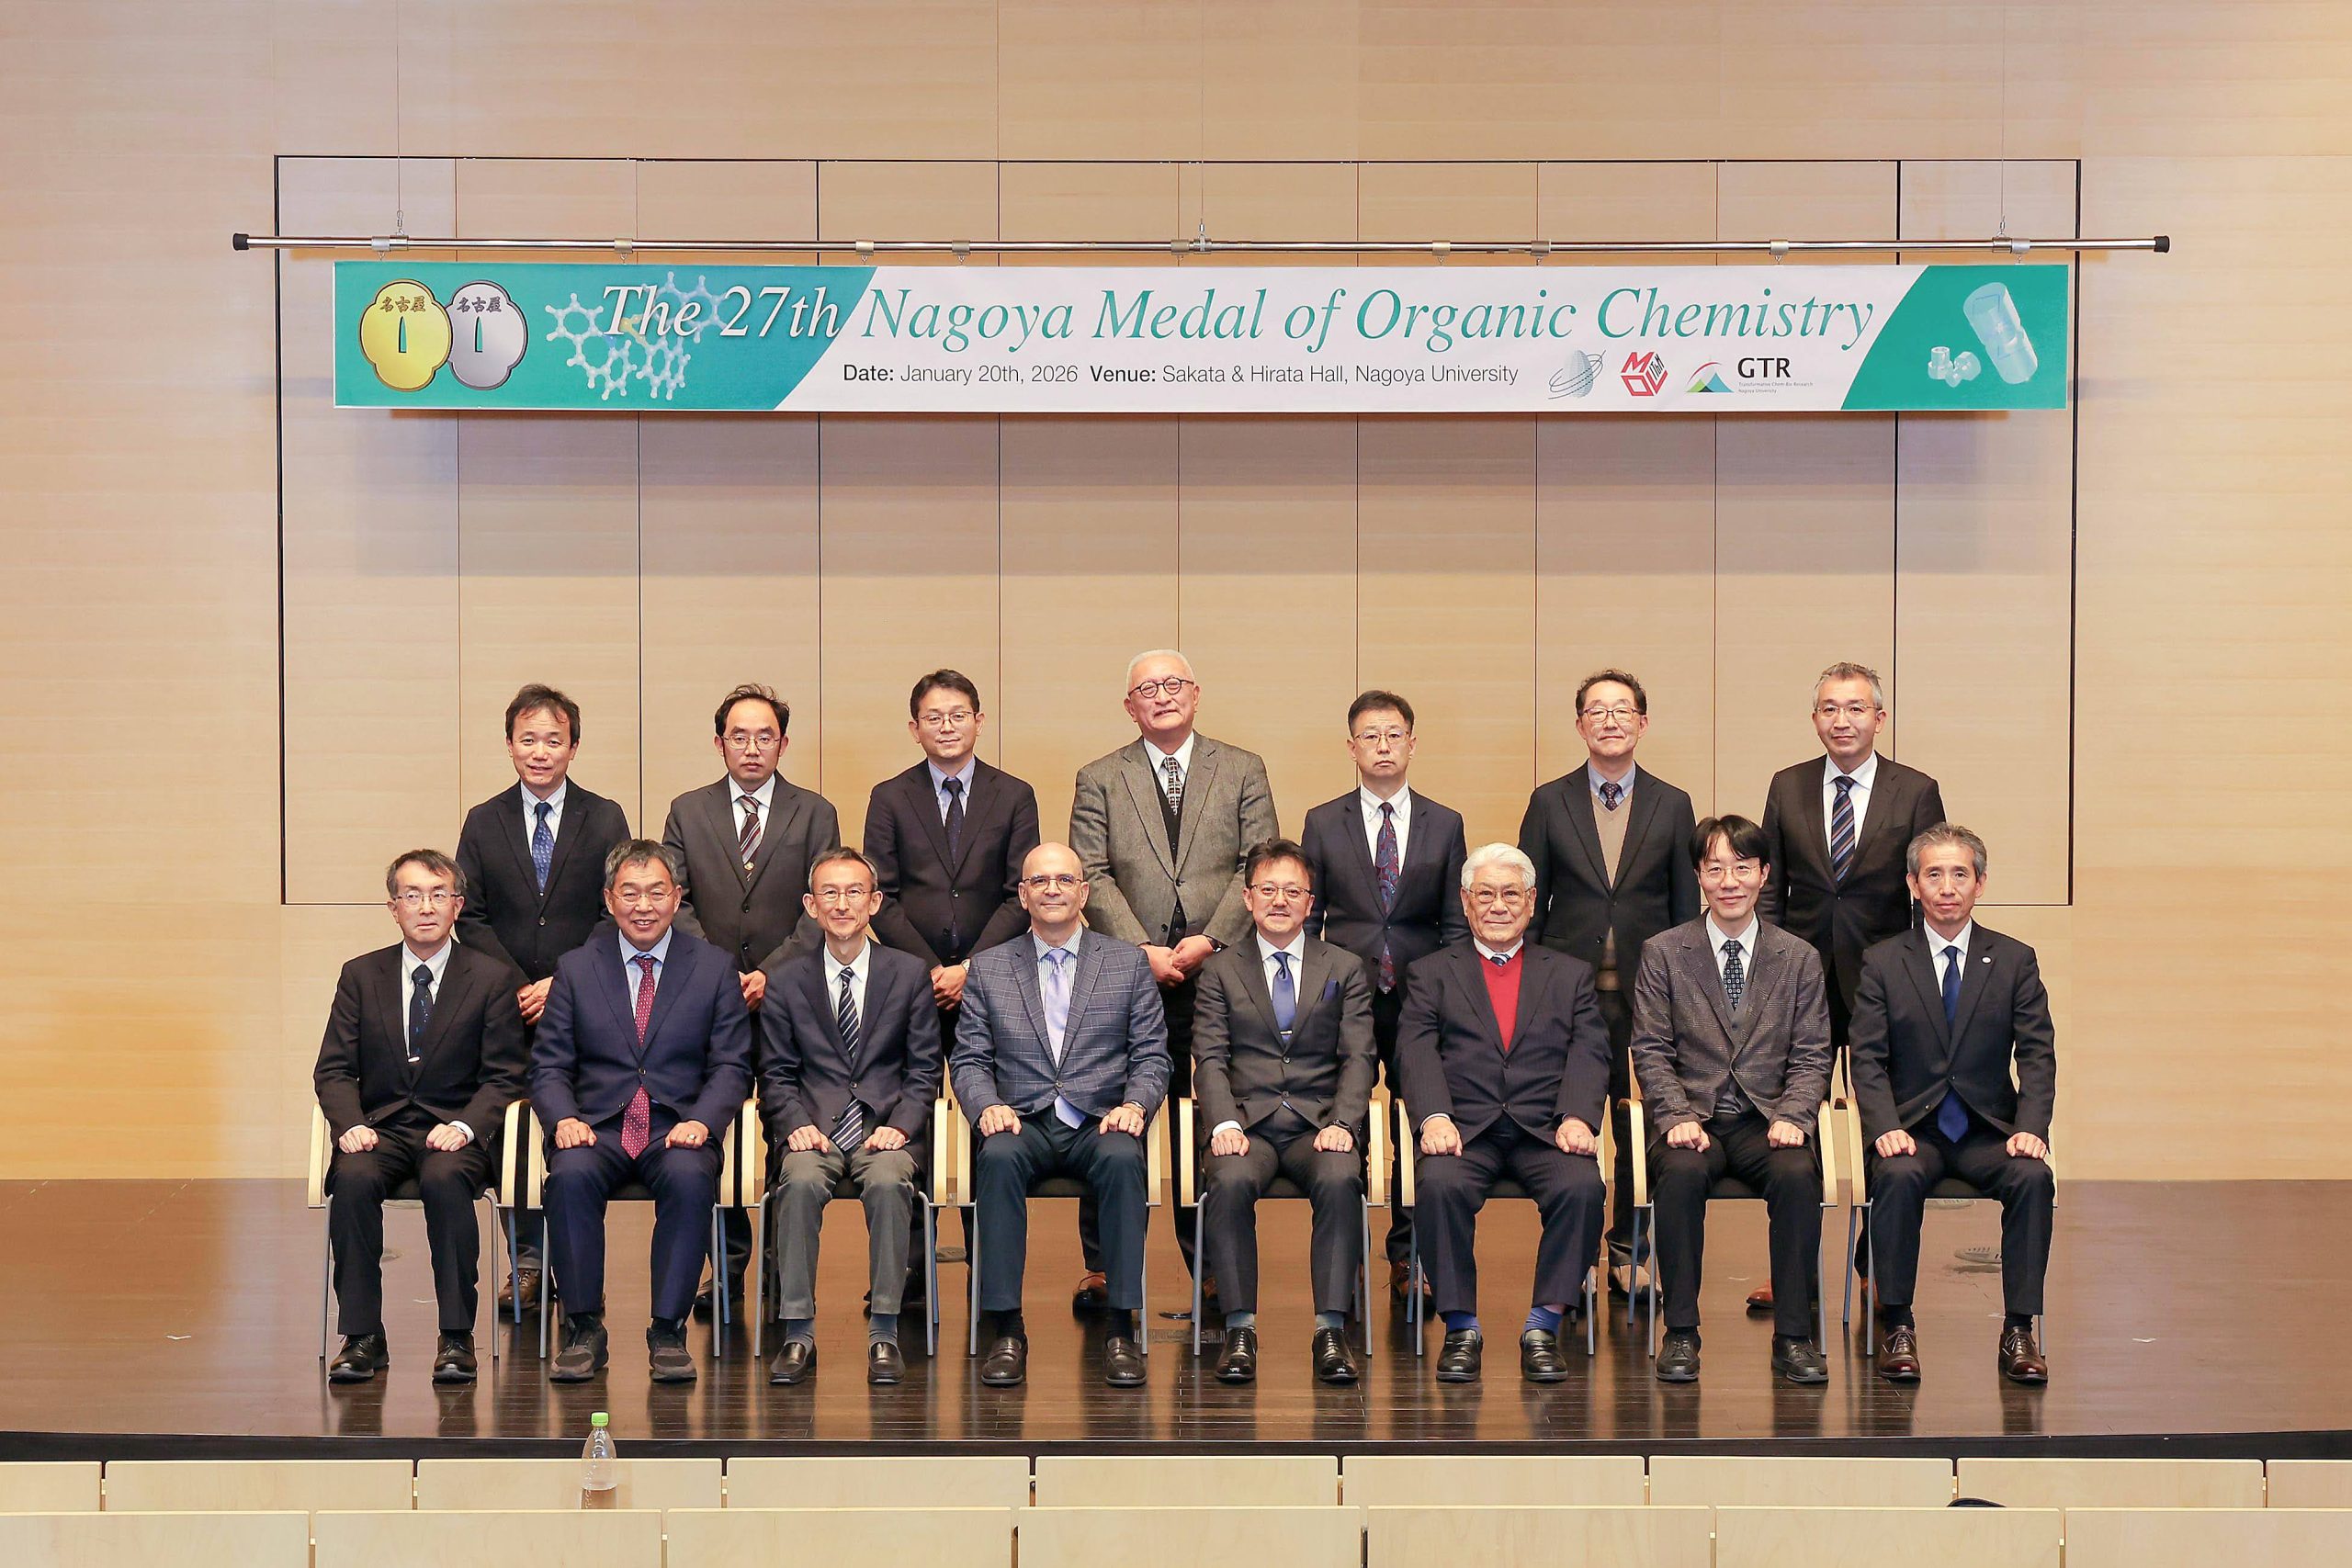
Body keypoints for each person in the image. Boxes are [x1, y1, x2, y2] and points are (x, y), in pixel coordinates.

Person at [1069, 649, 1275, 1297]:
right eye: (1147, 688)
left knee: (1206, 1112)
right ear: (1129, 706)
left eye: (1173, 684)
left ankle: (1210, 1268)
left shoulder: (1242, 767)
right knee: (1109, 1110)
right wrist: (1141, 949)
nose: (1162, 695)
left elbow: (1257, 864)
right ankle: (1104, 1265)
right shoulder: (1100, 776)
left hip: (1221, 967)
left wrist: (1210, 939)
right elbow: (1090, 871)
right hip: (1124, 972)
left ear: (1196, 692)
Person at [1750, 660, 1945, 1318]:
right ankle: (1791, 1272)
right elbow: (1770, 885)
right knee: (1790, 1120)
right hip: (1799, 977)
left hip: (1884, 979)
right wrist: (1769, 968)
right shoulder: (1788, 784)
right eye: (1830, 709)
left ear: (1879, 718)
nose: (1843, 720)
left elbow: (1925, 887)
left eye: (1856, 708)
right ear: (1815, 719)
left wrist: (1919, 978)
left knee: (1883, 1120)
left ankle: (1875, 1265)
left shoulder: (1915, 790)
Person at [951, 843, 1171, 1389]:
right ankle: (1006, 1329)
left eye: (1065, 880)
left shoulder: (1126, 964)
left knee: (1124, 1160)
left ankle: (1120, 1328)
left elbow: (1152, 1056)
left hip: (1100, 1120)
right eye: (1040, 881)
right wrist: (986, 1106)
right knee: (996, 1158)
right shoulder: (990, 968)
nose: (1052, 889)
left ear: (1084, 892)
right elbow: (970, 1059)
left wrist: (1135, 1105)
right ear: (1023, 895)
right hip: (1021, 1120)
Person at [532, 840, 753, 1384]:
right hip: (597, 1125)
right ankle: (584, 1327)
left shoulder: (714, 967)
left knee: (689, 1176)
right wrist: (563, 1119)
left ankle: (668, 1330)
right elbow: (549, 1066)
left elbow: (732, 1065)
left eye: (656, 892)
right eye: (630, 893)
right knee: (569, 1176)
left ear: (677, 897)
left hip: (677, 1124)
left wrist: (703, 1121)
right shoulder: (577, 968)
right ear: (610, 900)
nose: (644, 906)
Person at [1629, 814, 1834, 1386]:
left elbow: (1814, 1052)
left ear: (1764, 874)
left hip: (1766, 1120)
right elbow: (1650, 1048)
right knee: (1680, 1175)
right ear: (1699, 876)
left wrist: (1794, 1116)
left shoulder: (1798, 957)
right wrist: (1674, 1116)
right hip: (1692, 1119)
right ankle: (1681, 1333)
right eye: (1715, 868)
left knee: (1798, 1175)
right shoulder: (1664, 952)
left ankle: (1794, 1337)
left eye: (1742, 868)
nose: (1729, 881)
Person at [1848, 824, 2056, 1385]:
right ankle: (1897, 1323)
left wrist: (2031, 1127)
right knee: (1895, 1175)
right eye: (1934, 875)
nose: (1947, 887)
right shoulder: (1884, 962)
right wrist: (1883, 1127)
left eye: (1960, 874)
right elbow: (1866, 1058)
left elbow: (2037, 1055)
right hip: (1913, 1130)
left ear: (1980, 884)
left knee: (2033, 1178)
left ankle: (2019, 1330)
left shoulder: (2013, 960)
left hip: (1988, 1131)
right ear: (1913, 885)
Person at [1395, 844, 1610, 1385]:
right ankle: (1461, 1328)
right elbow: (1415, 1051)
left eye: (1510, 894)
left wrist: (1577, 1116)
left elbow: (1590, 1050)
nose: (1498, 906)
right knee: (1438, 1185)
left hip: (1546, 1129)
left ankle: (1543, 1327)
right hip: (1464, 1130)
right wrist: (1433, 1117)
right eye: (1485, 894)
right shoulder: (1430, 973)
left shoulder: (1570, 974)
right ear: (1465, 902)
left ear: (1532, 902)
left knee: (1582, 1188)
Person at [660, 682, 841, 1316]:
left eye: (766, 736)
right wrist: (719, 976)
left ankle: (778, 1273)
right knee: (714, 1129)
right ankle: (727, 1269)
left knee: (785, 1129)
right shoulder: (687, 810)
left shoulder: (814, 812)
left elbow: (824, 904)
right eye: (739, 736)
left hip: (791, 999)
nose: (752, 747)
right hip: (706, 1002)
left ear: (783, 744)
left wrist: (771, 973)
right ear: (720, 743)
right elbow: (674, 899)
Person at [1520, 669, 1698, 1305]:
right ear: (1580, 725)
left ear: (1643, 723)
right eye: (1597, 710)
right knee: (1570, 1122)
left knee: (1637, 1126)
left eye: (1623, 710)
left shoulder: (1672, 803)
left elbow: (1684, 907)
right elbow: (1529, 902)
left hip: (1649, 992)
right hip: (1568, 993)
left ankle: (1629, 1251)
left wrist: (1684, 991)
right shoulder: (1550, 800)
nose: (1610, 720)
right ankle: (1573, 1260)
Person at [453, 682, 631, 1315]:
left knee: (580, 1135)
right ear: (509, 745)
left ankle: (578, 1266)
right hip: (505, 1008)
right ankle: (527, 1261)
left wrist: (563, 980)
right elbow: (468, 914)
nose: (540, 751)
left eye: (553, 740)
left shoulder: (604, 816)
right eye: (527, 739)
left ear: (573, 747)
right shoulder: (484, 820)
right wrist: (517, 986)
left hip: (583, 1002)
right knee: (515, 1133)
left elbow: (618, 910)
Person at [316, 851, 526, 1384]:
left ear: (458, 905)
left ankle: (456, 1337)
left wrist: (466, 1126)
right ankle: (362, 1336)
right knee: (353, 1180)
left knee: (446, 1180)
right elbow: (334, 1069)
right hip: (379, 1128)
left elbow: (504, 1075)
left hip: (454, 1130)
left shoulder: (491, 978)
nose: (426, 907)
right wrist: (350, 1124)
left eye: (438, 895)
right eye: (412, 896)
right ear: (394, 907)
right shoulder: (361, 975)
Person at [863, 669, 1042, 1287]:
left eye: (958, 715)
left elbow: (1021, 893)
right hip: (910, 982)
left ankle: (988, 1267)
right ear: (915, 728)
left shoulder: (1014, 794)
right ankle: (910, 1270)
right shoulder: (890, 796)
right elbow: (880, 895)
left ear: (979, 721)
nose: (946, 726)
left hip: (994, 981)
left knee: (987, 1112)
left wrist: (971, 969)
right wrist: (931, 971)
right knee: (908, 1112)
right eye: (933, 717)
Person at [1300, 690, 1466, 1310]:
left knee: (1418, 1119)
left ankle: (1407, 1255)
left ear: (1413, 743)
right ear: (1352, 748)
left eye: (1394, 734)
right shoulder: (1323, 820)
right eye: (1370, 736)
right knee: (1346, 1122)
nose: (1383, 746)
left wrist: (1453, 996)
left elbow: (1455, 921)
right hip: (1344, 995)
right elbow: (1310, 917)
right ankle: (1345, 1260)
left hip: (1421, 996)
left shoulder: (1445, 822)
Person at [1193, 838, 1377, 1386]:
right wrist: (1223, 1122)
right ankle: (1239, 1330)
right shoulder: (1220, 970)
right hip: (1245, 1126)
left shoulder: (1344, 967)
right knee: (1228, 1181)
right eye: (1268, 889)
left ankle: (1331, 1330)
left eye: (1292, 892)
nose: (1280, 901)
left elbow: (1359, 1056)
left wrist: (1344, 1122)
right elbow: (1209, 1057)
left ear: (1310, 902)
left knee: (1341, 1179)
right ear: (1247, 898)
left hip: (1318, 1125)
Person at [759, 848, 942, 1388]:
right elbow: (775, 1072)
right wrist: (794, 1122)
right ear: (810, 905)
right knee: (797, 1182)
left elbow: (925, 1068)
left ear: (875, 902)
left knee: (888, 1182)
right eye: (830, 893)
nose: (842, 904)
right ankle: (797, 1333)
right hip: (813, 1129)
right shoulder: (785, 980)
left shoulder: (908, 974)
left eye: (855, 892)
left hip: (885, 1129)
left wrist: (901, 1125)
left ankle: (885, 1331)